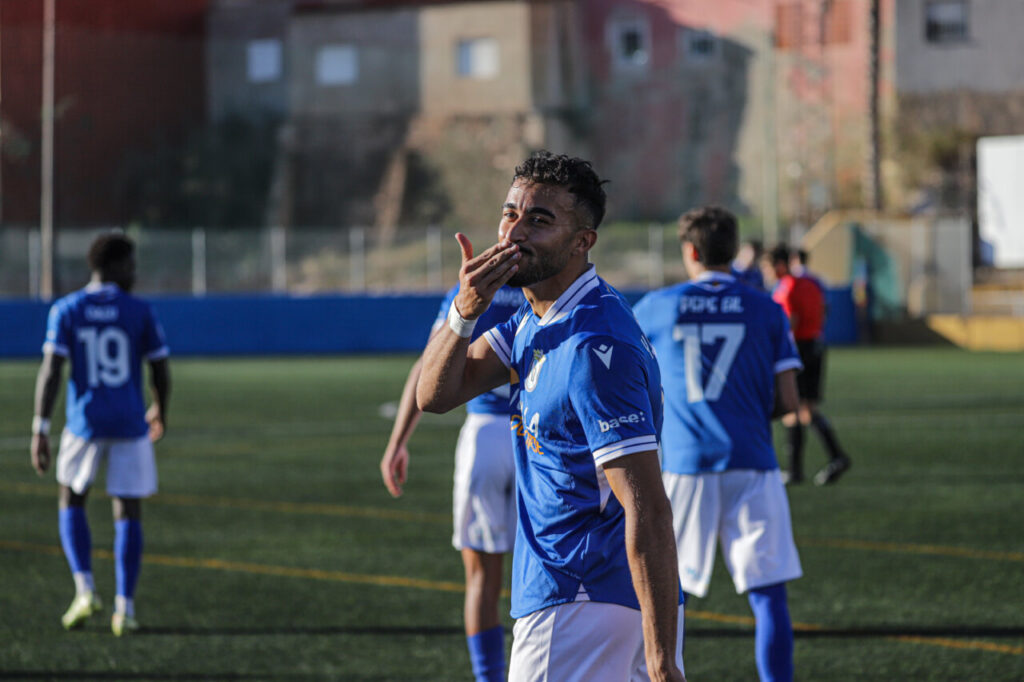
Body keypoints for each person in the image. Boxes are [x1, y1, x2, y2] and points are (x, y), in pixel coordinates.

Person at [416, 151, 684, 682]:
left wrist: (661, 659)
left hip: (580, 602)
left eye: (539, 220)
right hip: (588, 598)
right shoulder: (535, 319)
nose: (514, 233)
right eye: (510, 214)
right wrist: (464, 311)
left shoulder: (593, 343)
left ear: (583, 241)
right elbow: (436, 394)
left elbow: (648, 507)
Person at [633, 206, 803, 682]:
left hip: (686, 465)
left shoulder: (655, 307)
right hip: (753, 461)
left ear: (690, 251)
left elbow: (629, 383)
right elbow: (790, 401)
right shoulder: (767, 309)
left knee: (668, 595)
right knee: (768, 595)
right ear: (733, 249)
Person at [380, 282, 524, 682]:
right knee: (548, 575)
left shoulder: (475, 287)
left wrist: (397, 442)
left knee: (481, 580)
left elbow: (430, 363)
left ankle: (489, 678)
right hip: (536, 437)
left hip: (484, 439)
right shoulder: (549, 280)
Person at [30, 232, 170, 636]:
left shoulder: (67, 309)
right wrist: (160, 409)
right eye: (130, 265)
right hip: (129, 423)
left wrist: (40, 427)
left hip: (84, 423)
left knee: (71, 497)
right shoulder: (138, 310)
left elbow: (51, 371)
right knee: (128, 508)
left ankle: (84, 590)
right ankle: (125, 608)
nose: (134, 273)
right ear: (113, 266)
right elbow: (160, 368)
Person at [766, 244, 851, 486]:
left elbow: (791, 321)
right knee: (807, 408)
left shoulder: (786, 287)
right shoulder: (811, 283)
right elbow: (823, 310)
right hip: (816, 345)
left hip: (798, 349)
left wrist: (777, 349)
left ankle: (795, 471)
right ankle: (837, 456)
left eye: (767, 266)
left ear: (779, 265)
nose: (766, 272)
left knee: (791, 408)